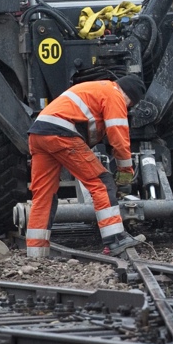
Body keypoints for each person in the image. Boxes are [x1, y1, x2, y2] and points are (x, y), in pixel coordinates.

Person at [25, 74, 147, 257]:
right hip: (61, 133)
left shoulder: (97, 89)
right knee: (102, 183)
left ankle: (36, 251)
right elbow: (118, 137)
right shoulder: (114, 94)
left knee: (44, 194)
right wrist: (125, 172)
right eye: (129, 106)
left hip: (38, 134)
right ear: (130, 97)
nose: (127, 108)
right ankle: (115, 240)